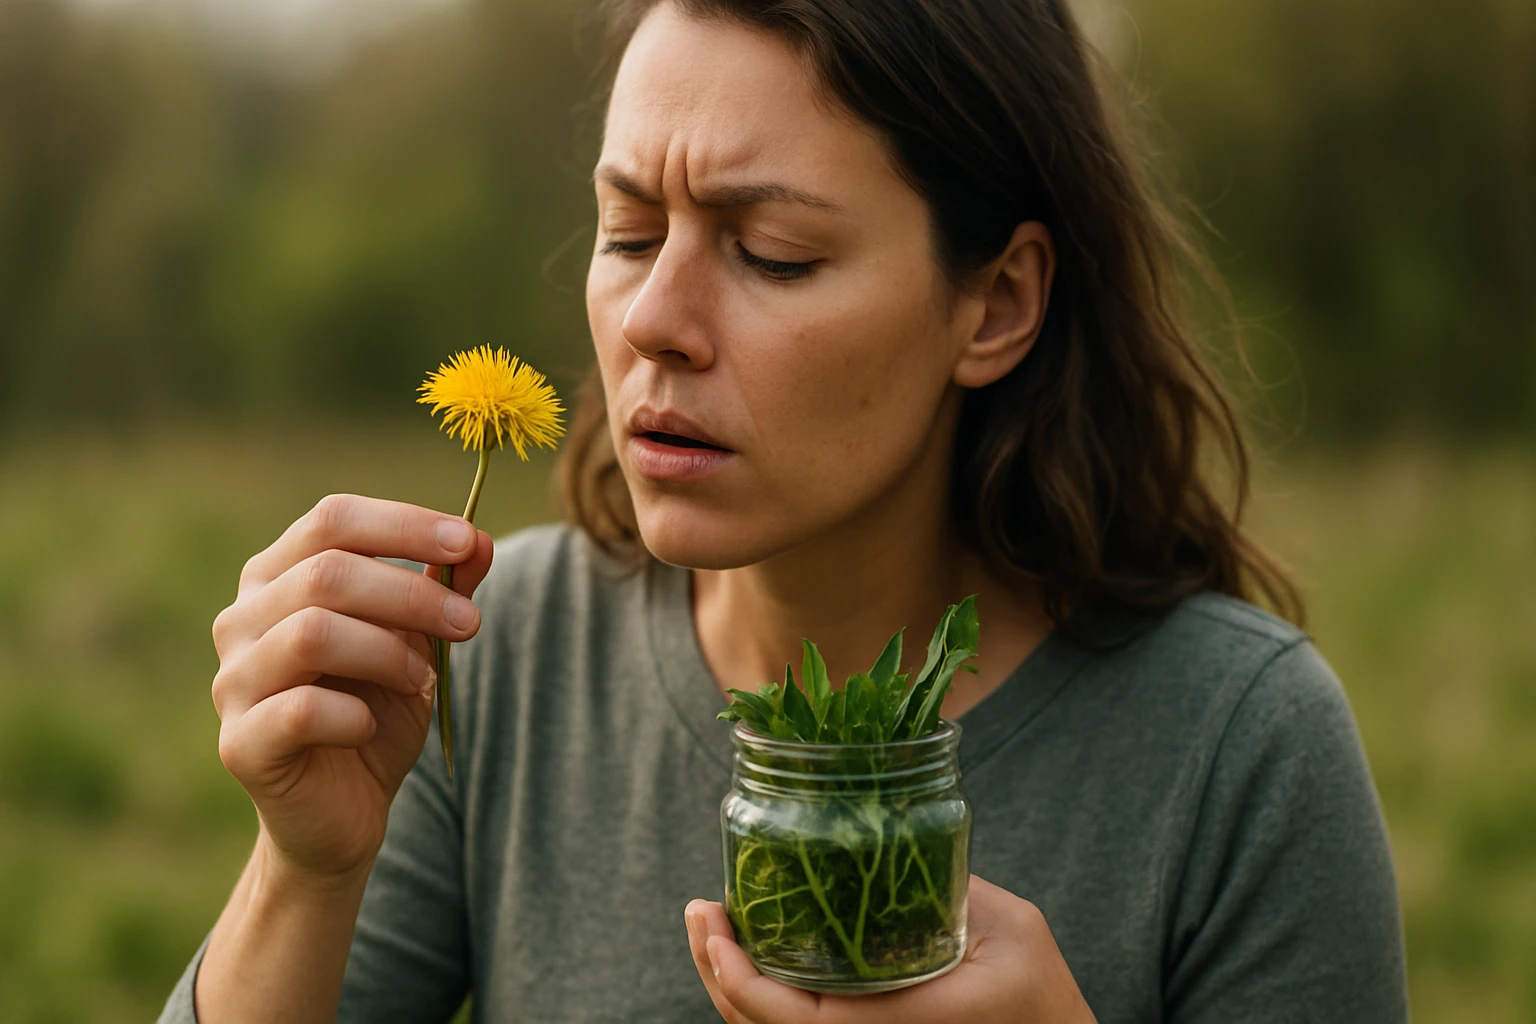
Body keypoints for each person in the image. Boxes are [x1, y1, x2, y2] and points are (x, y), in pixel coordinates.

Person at [158, 0, 1408, 1021]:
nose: (653, 321)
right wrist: (303, 872)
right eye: (631, 231)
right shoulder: (493, 652)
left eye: (772, 254)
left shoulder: (1243, 749)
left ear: (999, 304)